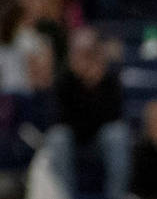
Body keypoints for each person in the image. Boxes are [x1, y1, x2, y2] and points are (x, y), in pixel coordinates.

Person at [45, 29, 131, 199]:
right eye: (80, 53)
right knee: (57, 137)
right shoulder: (65, 81)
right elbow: (60, 119)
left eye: (89, 53)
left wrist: (93, 85)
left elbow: (114, 117)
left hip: (100, 143)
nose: (85, 58)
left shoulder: (109, 80)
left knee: (117, 134)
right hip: (73, 142)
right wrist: (81, 83)